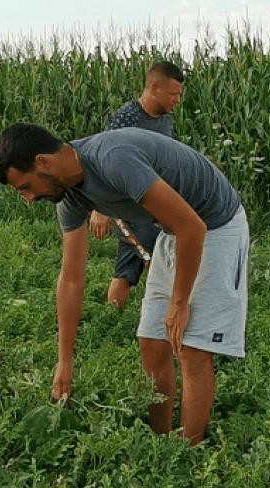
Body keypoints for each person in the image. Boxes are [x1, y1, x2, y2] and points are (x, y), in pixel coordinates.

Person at [0, 123, 249, 445]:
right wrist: (65, 362)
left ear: (43, 162)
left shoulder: (114, 159)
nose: (29, 199)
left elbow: (192, 227)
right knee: (152, 343)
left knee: (190, 347)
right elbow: (71, 279)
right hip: (172, 230)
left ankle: (190, 452)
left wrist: (179, 303)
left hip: (214, 225)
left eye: (26, 187)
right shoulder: (70, 199)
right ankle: (162, 444)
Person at [90, 60, 184, 310]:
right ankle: (166, 319)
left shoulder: (165, 121)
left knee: (128, 267)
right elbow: (102, 159)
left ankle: (109, 319)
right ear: (153, 86)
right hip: (124, 206)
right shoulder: (126, 118)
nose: (177, 100)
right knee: (157, 256)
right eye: (173, 94)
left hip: (149, 206)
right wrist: (99, 209)